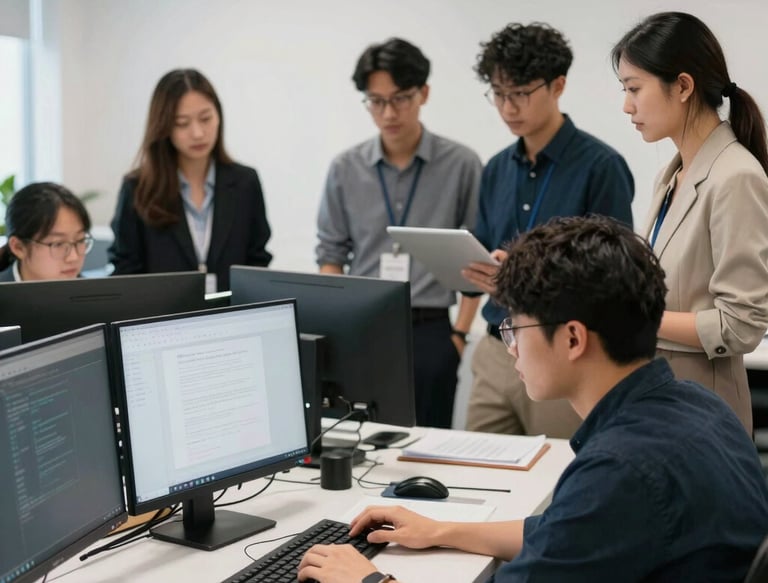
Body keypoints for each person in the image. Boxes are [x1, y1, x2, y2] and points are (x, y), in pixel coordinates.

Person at [297, 215, 768, 583]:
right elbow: (560, 533)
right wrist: (441, 531)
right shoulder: (699, 407)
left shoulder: (621, 470)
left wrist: (367, 577)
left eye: (516, 328)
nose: (512, 346)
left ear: (573, 339)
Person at [461, 23, 634, 438]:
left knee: (560, 482)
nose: (508, 107)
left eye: (520, 93)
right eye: (499, 94)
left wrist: (525, 278)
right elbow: (482, 248)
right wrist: (478, 271)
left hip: (563, 352)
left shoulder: (600, 166)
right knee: (475, 476)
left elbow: (615, 278)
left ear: (558, 85)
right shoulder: (497, 168)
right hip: (496, 347)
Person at [612, 11, 768, 435]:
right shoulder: (675, 173)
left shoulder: (736, 175)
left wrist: (632, 316)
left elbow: (741, 324)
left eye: (634, 89)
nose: (627, 105)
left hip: (702, 416)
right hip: (661, 402)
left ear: (682, 86)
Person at [315, 38, 483, 428]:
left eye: (400, 98)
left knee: (431, 443)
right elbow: (330, 255)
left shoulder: (461, 164)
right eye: (376, 101)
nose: (388, 112)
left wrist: (458, 337)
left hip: (432, 330)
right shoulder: (345, 168)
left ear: (423, 93)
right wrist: (339, 325)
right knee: (356, 440)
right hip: (363, 326)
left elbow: (476, 255)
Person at [108, 68, 272, 293]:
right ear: (163, 127)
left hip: (232, 317)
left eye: (205, 118)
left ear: (219, 116)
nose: (197, 133)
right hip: (164, 321)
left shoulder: (245, 182)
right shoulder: (138, 188)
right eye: (182, 123)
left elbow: (257, 260)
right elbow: (126, 273)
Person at [0, 182, 93, 282]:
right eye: (58, 244)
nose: (73, 257)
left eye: (80, 240)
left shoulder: (95, 294)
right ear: (18, 247)